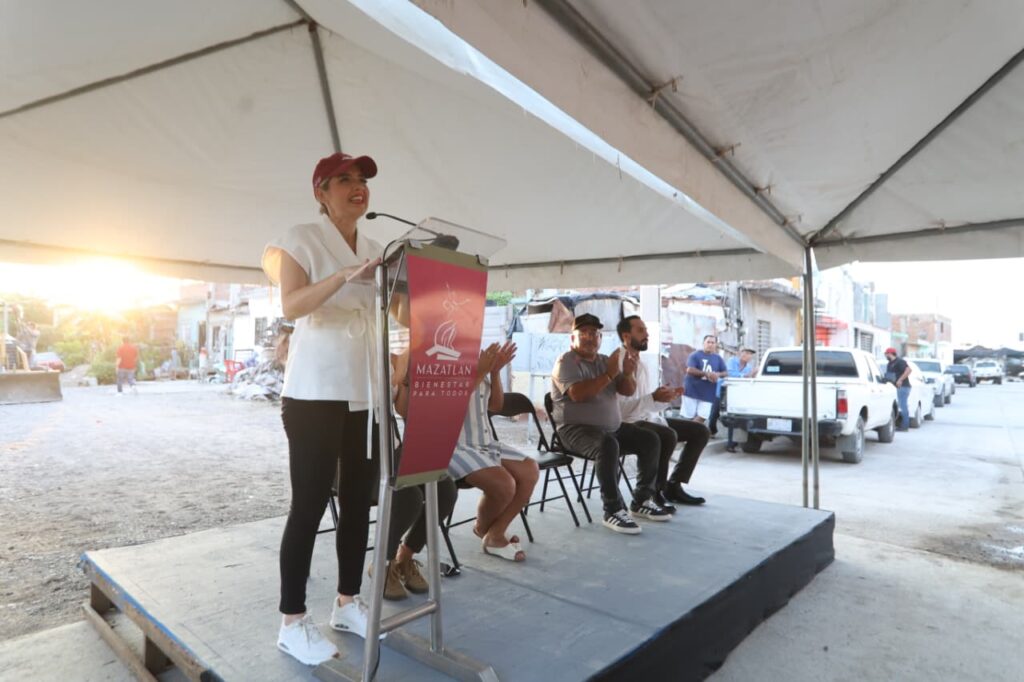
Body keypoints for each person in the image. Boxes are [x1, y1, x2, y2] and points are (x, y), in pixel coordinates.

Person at [262, 151, 387, 666]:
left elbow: (392, 310)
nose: (358, 186)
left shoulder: (378, 247)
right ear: (321, 192)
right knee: (310, 504)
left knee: (358, 502)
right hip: (314, 390)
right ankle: (292, 621)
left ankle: (347, 602)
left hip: (365, 388)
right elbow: (291, 305)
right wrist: (343, 276)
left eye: (362, 180)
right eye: (344, 179)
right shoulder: (300, 238)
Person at [398, 341, 540, 561]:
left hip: (484, 441)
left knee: (530, 469)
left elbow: (495, 405)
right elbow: (445, 405)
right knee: (504, 485)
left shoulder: (476, 360)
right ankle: (485, 530)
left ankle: (495, 532)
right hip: (452, 445)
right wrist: (481, 371)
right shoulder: (435, 363)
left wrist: (494, 372)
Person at [551, 313, 670, 535]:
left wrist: (628, 374)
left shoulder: (605, 361)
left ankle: (642, 500)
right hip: (575, 431)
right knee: (607, 445)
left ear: (600, 338)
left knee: (650, 439)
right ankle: (613, 510)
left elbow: (627, 390)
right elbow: (577, 394)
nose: (589, 337)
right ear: (572, 338)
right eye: (583, 333)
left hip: (610, 428)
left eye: (594, 333)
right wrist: (609, 375)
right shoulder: (565, 362)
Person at [616, 316, 710, 508]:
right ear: (626, 336)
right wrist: (653, 398)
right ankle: (653, 492)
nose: (647, 334)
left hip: (647, 418)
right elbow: (620, 411)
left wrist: (663, 398)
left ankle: (673, 485)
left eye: (646, 330)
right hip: (627, 424)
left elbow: (646, 404)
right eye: (640, 330)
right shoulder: (617, 363)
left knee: (701, 431)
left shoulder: (641, 363)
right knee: (667, 435)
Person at [683, 335, 726, 425]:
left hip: (708, 392)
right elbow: (690, 370)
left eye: (712, 342)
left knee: (703, 416)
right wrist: (707, 374)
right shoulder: (695, 355)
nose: (710, 344)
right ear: (703, 343)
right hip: (692, 390)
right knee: (688, 416)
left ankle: (689, 430)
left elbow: (725, 372)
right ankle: (689, 431)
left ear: (715, 345)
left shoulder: (718, 358)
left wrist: (717, 374)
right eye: (708, 342)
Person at [724, 348, 758, 453]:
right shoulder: (732, 361)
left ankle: (731, 444)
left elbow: (749, 380)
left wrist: (752, 375)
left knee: (735, 418)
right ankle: (712, 431)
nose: (747, 355)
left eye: (750, 354)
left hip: (739, 394)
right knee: (716, 414)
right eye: (746, 353)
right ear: (740, 353)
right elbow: (729, 374)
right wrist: (746, 376)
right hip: (726, 391)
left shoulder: (749, 367)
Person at [884, 347, 913, 432]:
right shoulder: (890, 363)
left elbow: (909, 370)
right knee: (898, 406)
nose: (885, 356)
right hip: (894, 388)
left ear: (890, 353)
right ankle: (898, 424)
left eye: (886, 354)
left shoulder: (900, 361)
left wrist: (900, 380)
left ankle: (905, 426)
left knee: (903, 406)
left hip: (903, 387)